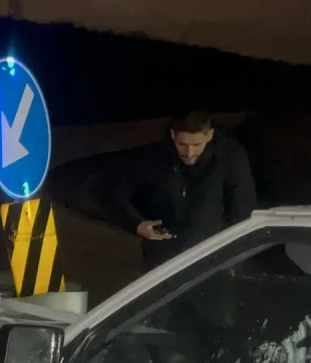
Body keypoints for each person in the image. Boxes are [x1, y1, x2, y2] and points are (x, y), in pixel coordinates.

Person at [109, 110, 257, 272]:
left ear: (209, 135)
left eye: (197, 145)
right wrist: (137, 224)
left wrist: (231, 258)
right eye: (182, 145)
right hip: (163, 261)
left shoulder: (230, 157)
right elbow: (117, 194)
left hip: (212, 260)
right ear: (173, 135)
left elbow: (242, 209)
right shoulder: (153, 157)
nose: (189, 153)